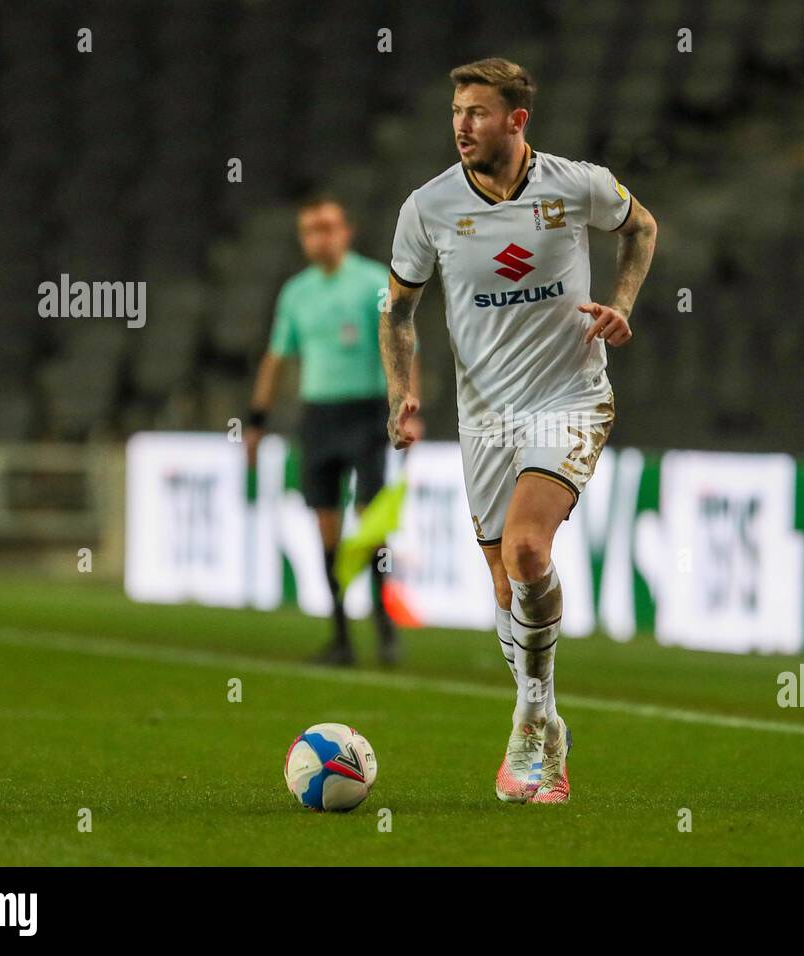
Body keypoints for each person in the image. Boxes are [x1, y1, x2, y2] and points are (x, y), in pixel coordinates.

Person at [379, 58, 657, 803]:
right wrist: (403, 391)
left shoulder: (578, 185)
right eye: (456, 112)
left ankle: (531, 719)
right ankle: (551, 724)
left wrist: (621, 301)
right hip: (486, 419)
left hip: (570, 396)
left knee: (530, 548)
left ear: (516, 120)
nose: (462, 125)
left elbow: (643, 228)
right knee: (507, 584)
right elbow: (398, 310)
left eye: (476, 112)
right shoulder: (429, 207)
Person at [247, 193, 421, 666]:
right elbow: (276, 358)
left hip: (366, 414)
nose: (319, 238)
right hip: (318, 417)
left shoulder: (371, 282)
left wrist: (407, 407)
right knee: (325, 525)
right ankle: (341, 635)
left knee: (369, 523)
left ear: (347, 231)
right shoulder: (296, 293)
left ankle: (384, 627)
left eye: (327, 227)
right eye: (310, 230)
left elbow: (404, 341)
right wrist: (257, 420)